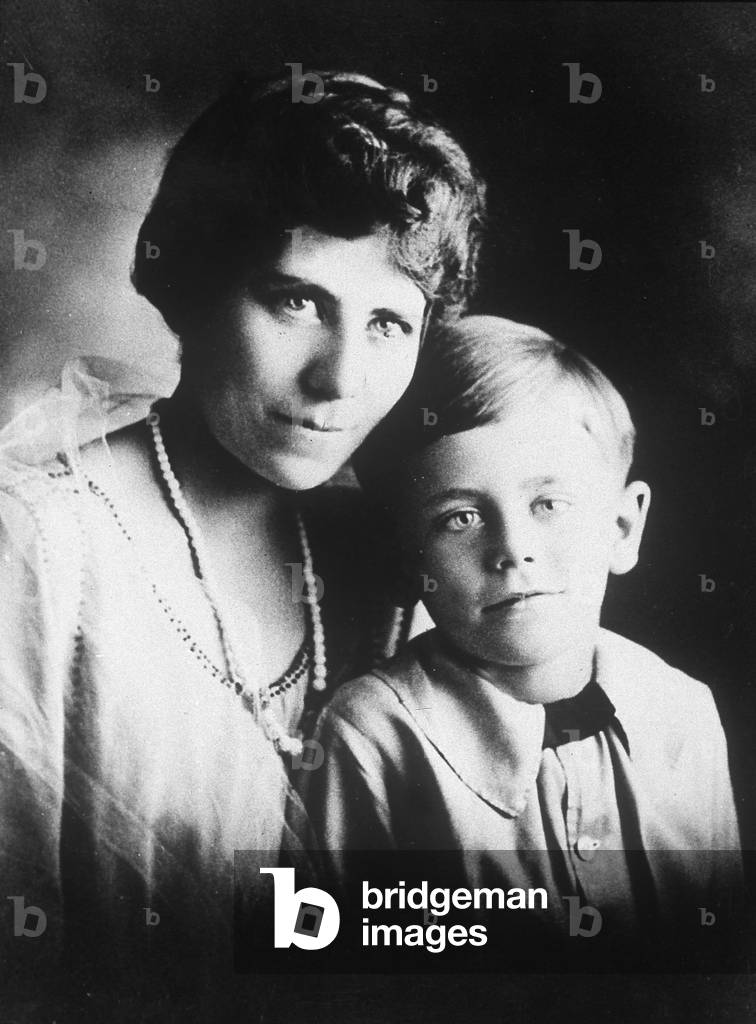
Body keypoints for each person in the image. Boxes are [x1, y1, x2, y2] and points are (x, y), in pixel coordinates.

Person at [0, 68, 485, 987]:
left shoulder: (397, 559)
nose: (340, 379)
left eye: (389, 322)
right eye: (297, 301)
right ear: (192, 284)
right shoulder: (39, 546)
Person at [300, 315, 743, 965]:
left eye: (548, 505)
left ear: (622, 527)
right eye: (460, 518)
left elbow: (723, 956)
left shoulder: (684, 711)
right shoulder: (371, 736)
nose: (512, 550)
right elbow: (334, 970)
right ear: (405, 560)